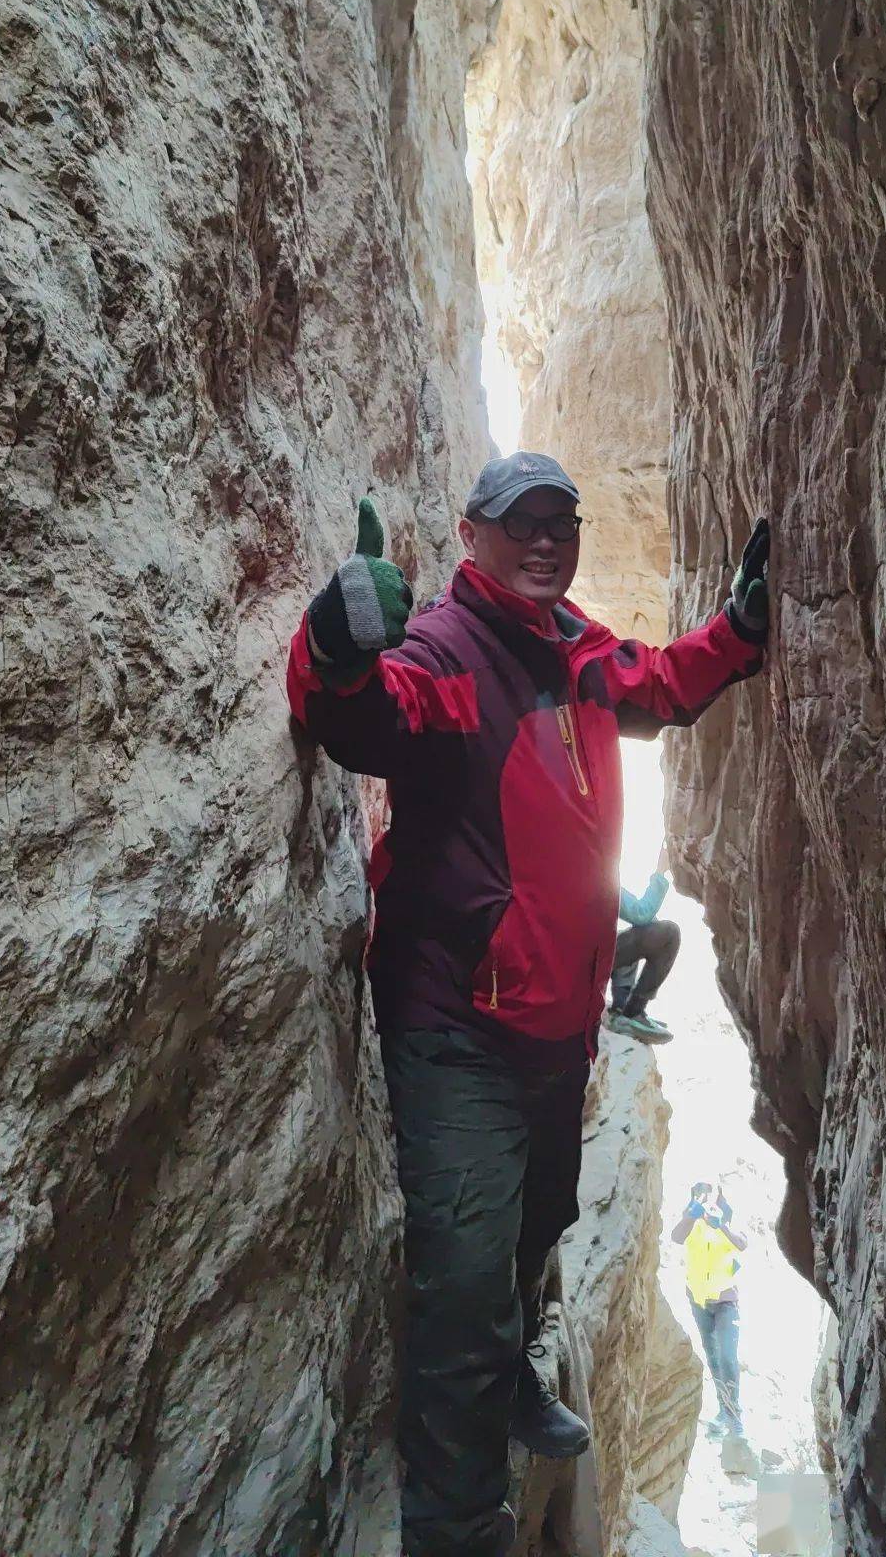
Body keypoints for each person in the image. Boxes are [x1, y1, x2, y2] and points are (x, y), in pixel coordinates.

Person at [286, 451, 770, 1557]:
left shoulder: (579, 649)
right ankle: (461, 1531)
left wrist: (738, 633)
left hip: (557, 1025)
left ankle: (514, 1383)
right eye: (522, 524)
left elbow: (661, 681)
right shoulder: (450, 652)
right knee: (462, 1286)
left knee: (535, 1222)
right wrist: (334, 638)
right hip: (457, 1023)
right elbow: (357, 716)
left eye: (563, 521)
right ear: (472, 536)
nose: (546, 540)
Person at [672, 1180, 748, 1439]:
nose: (707, 1201)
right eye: (701, 1196)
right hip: (699, 1301)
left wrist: (722, 1224)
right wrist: (691, 1217)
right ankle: (724, 1410)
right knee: (714, 1357)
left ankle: (734, 1415)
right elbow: (676, 1237)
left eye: (710, 1195)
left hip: (726, 1302)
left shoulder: (727, 1220)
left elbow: (742, 1244)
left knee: (728, 1357)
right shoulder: (692, 1222)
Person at [607, 842, 679, 1043]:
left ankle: (620, 1007)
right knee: (669, 934)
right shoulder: (596, 875)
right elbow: (641, 913)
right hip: (589, 958)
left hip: (572, 959)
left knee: (634, 935)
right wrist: (660, 870)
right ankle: (632, 1012)